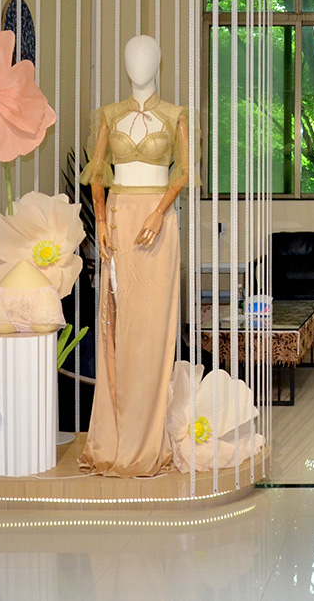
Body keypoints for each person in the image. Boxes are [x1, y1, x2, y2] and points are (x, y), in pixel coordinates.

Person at [79, 35, 191, 478]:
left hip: (158, 226)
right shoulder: (110, 115)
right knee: (120, 325)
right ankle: (116, 435)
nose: (138, 64)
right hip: (121, 220)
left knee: (154, 326)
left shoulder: (176, 115)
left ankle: (150, 436)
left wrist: (160, 212)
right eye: (131, 56)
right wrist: (101, 222)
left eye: (146, 56)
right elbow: (96, 173)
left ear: (158, 63)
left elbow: (184, 172)